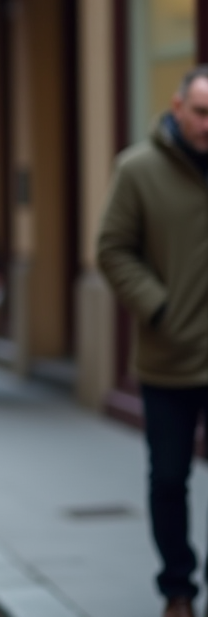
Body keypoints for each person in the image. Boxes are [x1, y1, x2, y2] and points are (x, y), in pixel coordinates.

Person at [98, 66, 208, 617]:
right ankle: (178, 588)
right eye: (201, 112)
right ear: (177, 106)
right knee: (169, 480)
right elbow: (112, 248)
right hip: (169, 359)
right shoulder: (138, 169)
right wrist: (159, 307)